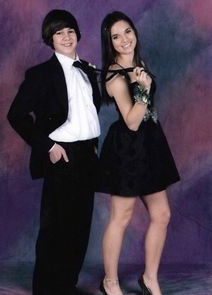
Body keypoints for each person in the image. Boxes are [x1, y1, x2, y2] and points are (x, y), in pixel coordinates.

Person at [7, 9, 101, 295]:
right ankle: (46, 289)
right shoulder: (41, 74)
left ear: (78, 34)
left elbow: (88, 111)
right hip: (61, 154)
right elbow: (17, 115)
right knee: (55, 226)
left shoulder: (87, 70)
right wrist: (49, 145)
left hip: (87, 155)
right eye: (59, 33)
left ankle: (66, 285)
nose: (66, 36)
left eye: (70, 30)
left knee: (80, 224)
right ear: (50, 39)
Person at [98, 11, 180, 295]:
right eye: (116, 37)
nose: (124, 40)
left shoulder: (139, 62)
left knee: (162, 214)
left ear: (135, 32)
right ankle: (110, 282)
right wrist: (144, 91)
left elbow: (145, 117)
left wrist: (145, 90)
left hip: (150, 144)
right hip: (128, 148)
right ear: (109, 43)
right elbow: (131, 121)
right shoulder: (113, 74)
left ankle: (149, 278)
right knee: (122, 216)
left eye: (127, 32)